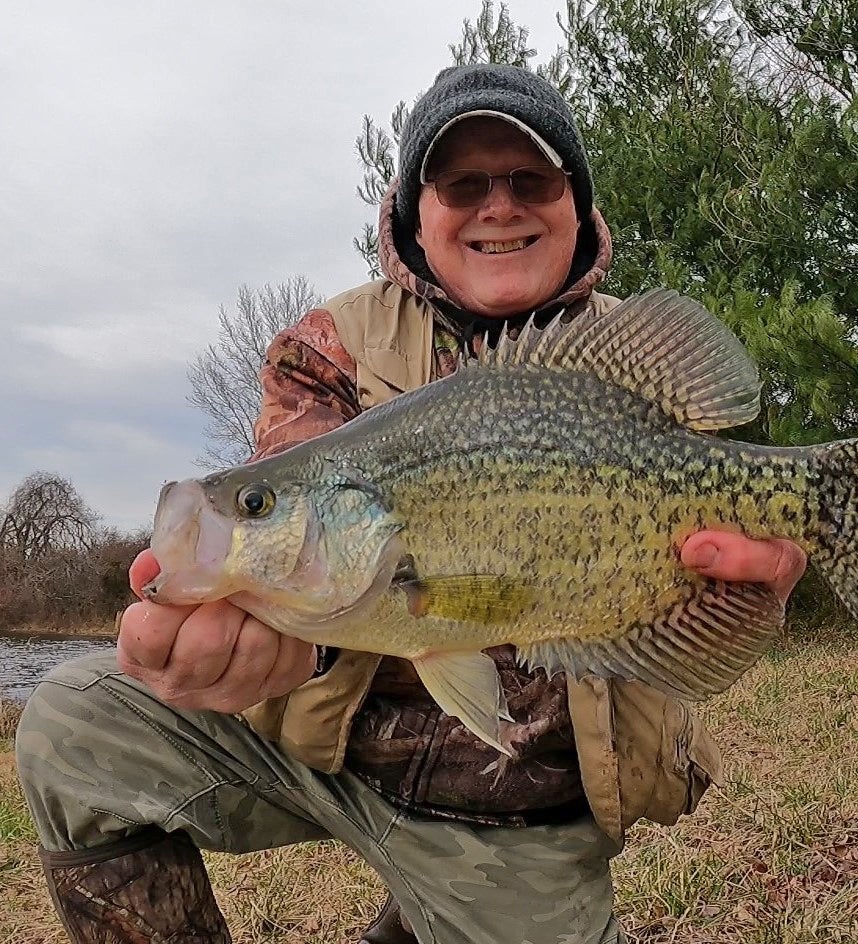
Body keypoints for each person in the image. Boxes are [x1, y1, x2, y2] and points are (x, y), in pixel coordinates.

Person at [15, 64, 807, 944]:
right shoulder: (326, 351)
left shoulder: (630, 357)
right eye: (462, 183)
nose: (497, 206)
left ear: (576, 203)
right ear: (411, 210)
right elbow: (304, 562)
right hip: (327, 759)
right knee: (76, 718)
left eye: (531, 180)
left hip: (518, 811)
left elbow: (723, 491)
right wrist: (265, 642)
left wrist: (746, 582)